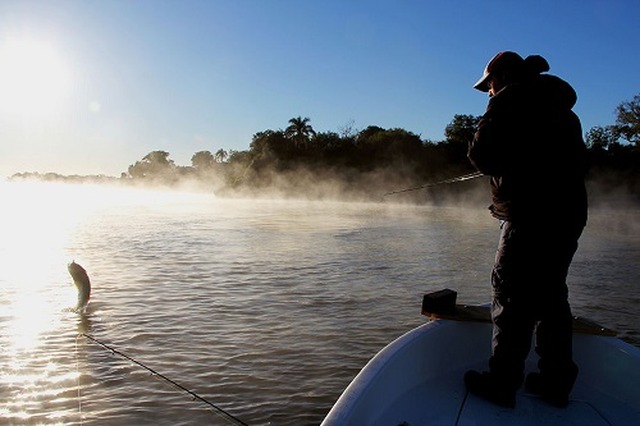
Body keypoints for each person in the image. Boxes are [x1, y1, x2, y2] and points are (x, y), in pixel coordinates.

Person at [465, 51, 588, 408]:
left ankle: (502, 384)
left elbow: (481, 155)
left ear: (500, 78)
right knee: (551, 296)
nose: (488, 91)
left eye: (488, 85)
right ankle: (556, 382)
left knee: (510, 295)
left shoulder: (507, 102)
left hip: (529, 218)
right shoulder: (565, 112)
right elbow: (580, 163)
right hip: (568, 218)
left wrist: (494, 112)